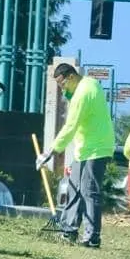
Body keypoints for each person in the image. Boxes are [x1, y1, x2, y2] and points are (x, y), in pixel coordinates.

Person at [36, 63, 115, 248]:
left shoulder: (84, 92)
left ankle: (92, 237)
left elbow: (70, 126)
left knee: (89, 190)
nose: (62, 88)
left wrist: (50, 152)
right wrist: (69, 96)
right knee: (73, 187)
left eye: (63, 84)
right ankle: (69, 230)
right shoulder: (88, 84)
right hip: (84, 147)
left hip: (97, 148)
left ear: (71, 77)